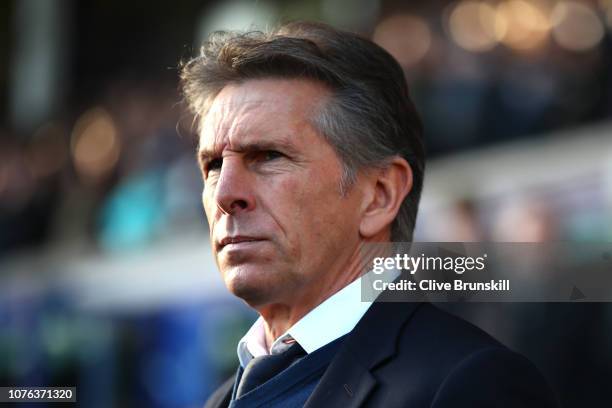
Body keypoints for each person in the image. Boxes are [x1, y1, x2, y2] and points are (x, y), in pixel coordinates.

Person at [180, 21, 558, 408]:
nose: (225, 194)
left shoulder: (474, 385)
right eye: (212, 165)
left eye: (268, 156)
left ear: (380, 195)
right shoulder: (220, 400)